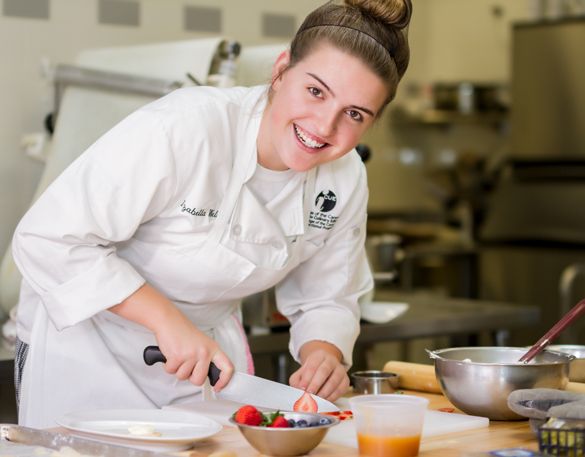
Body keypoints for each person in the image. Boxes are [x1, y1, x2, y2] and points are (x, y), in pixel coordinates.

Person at [12, 0, 412, 429]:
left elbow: (327, 295)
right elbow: (48, 237)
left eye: (354, 114)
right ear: (281, 71)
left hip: (200, 369)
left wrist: (323, 352)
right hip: (86, 352)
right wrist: (166, 320)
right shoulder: (187, 127)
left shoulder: (345, 176)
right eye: (316, 91)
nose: (324, 126)